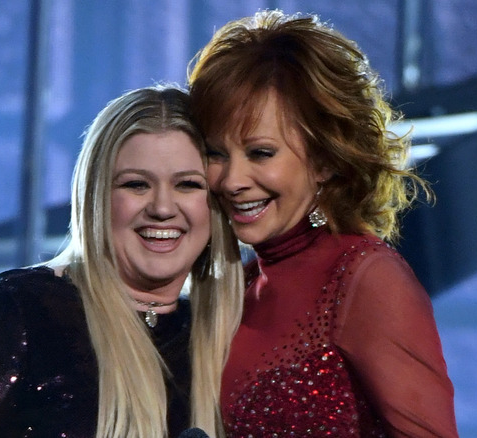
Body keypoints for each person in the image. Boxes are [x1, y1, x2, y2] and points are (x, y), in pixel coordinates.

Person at [0, 85, 244, 438]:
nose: (162, 208)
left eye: (188, 185)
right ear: (96, 196)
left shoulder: (220, 338)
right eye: (136, 185)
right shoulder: (22, 310)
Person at [187, 10, 458, 437]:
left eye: (260, 153)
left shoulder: (366, 279)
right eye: (216, 154)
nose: (232, 181)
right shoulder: (236, 287)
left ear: (326, 159)